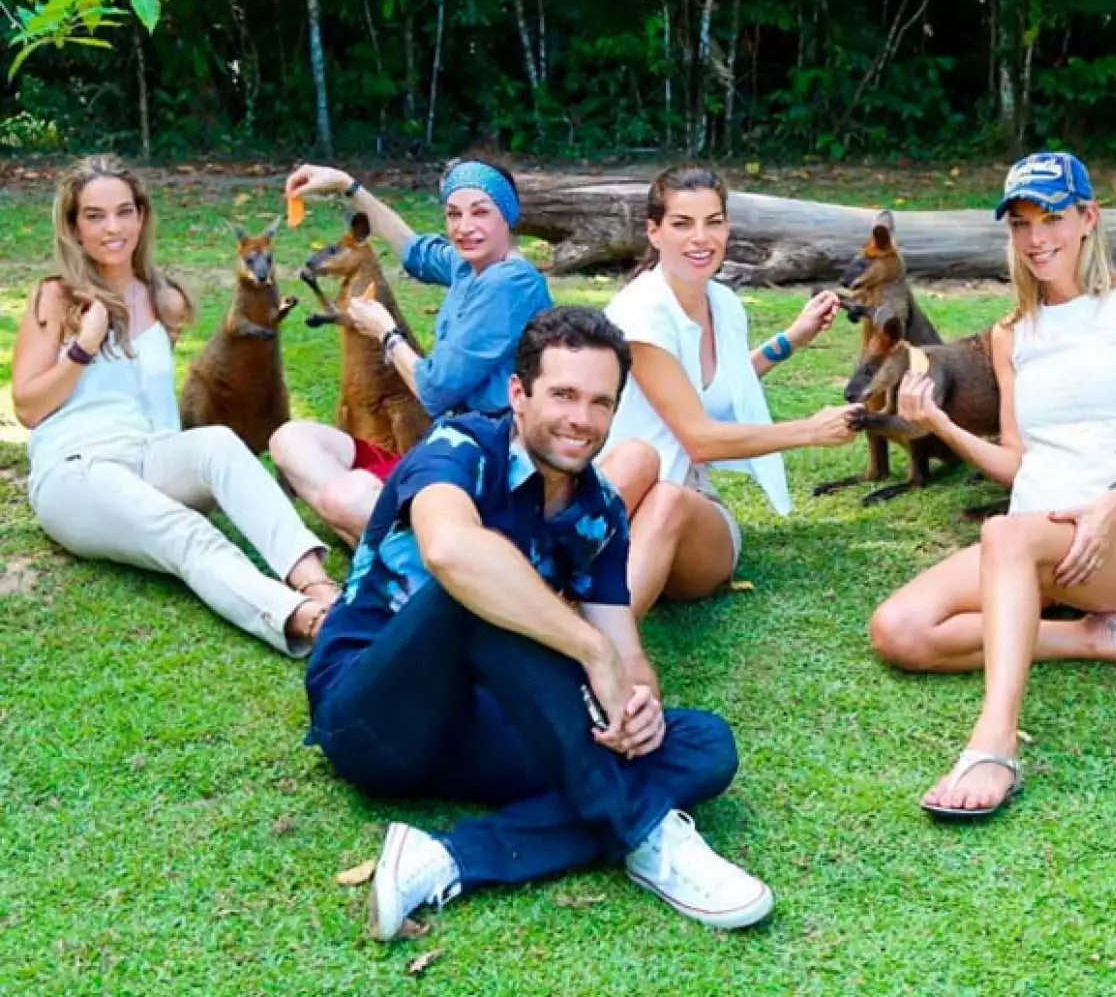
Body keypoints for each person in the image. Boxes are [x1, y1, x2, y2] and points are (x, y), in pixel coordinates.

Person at [305, 306, 774, 935]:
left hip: (485, 725)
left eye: (600, 402)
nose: (581, 419)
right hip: (374, 717)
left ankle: (446, 859)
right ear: (518, 394)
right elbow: (450, 551)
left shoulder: (598, 509)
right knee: (486, 585)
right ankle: (644, 830)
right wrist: (591, 650)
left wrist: (640, 710)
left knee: (703, 745)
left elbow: (627, 653)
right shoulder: (459, 450)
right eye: (563, 395)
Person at [868, 151, 1116, 820]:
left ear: (1088, 218)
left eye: (1051, 218)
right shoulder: (1011, 333)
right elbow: (1017, 463)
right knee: (898, 630)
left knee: (1006, 534)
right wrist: (939, 425)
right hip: (1031, 543)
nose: (1036, 237)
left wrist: (1113, 504)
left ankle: (995, 745)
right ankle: (1094, 638)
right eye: (1021, 223)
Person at [12, 155, 340, 654]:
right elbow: (28, 408)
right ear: (75, 227)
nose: (113, 228)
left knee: (221, 444)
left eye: (124, 212)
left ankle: (318, 585)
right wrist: (84, 346)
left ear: (141, 216)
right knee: (184, 531)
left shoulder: (162, 298)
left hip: (151, 459)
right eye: (95, 216)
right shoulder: (57, 297)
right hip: (77, 471)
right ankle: (297, 617)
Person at [598, 164, 861, 617]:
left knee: (669, 499)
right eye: (682, 224)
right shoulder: (642, 313)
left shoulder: (723, 304)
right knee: (642, 472)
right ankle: (591, 631)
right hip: (622, 497)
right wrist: (810, 431)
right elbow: (699, 439)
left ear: (727, 228)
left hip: (690, 509)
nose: (701, 238)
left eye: (713, 222)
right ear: (654, 232)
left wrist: (790, 341)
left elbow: (719, 386)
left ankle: (597, 631)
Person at [270, 159, 552, 545]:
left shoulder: (510, 285)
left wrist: (387, 333)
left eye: (480, 212)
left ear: (508, 215)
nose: (464, 227)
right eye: (453, 214)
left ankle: (419, 546)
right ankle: (397, 536)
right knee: (290, 439)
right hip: (443, 449)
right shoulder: (472, 266)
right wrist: (348, 186)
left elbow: (434, 391)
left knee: (342, 498)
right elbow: (414, 251)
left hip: (485, 463)